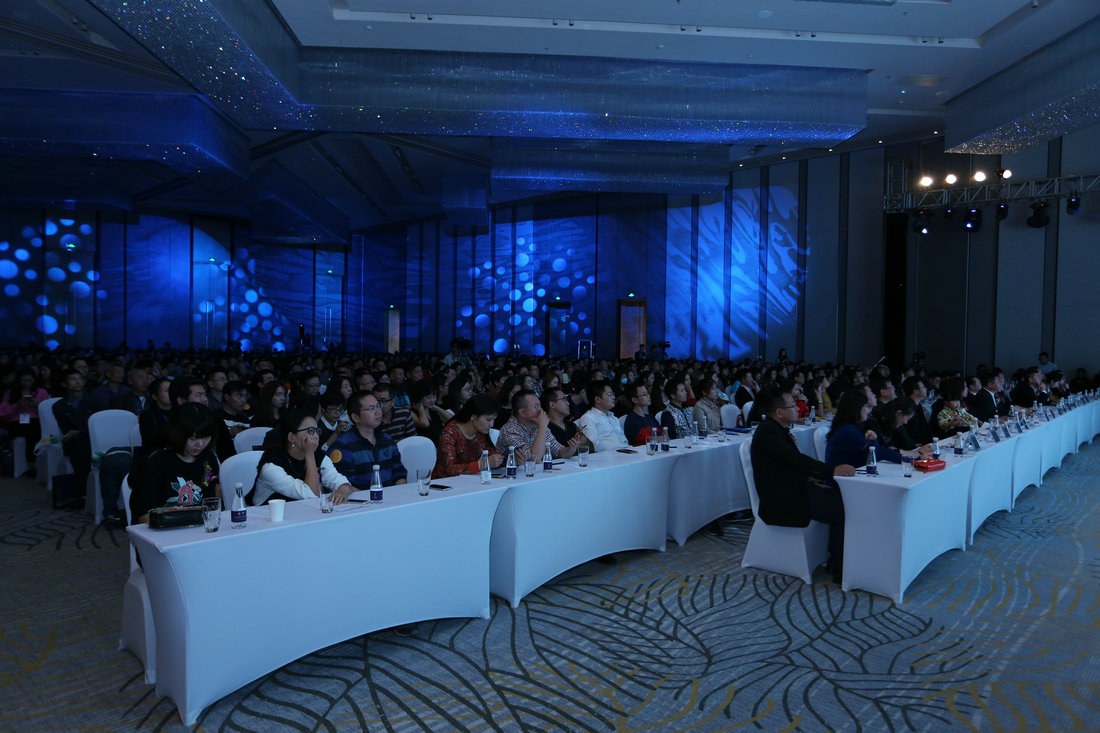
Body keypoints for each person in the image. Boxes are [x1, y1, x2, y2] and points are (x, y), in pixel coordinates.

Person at [750, 387, 856, 583]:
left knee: (843, 500)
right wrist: (832, 470)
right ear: (779, 412)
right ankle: (839, 568)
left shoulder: (774, 429)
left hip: (794, 488)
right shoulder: (768, 433)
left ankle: (836, 559)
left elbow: (789, 464)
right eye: (793, 406)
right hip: (782, 499)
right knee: (843, 510)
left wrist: (811, 480)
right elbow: (795, 460)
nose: (798, 408)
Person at [129, 403, 221, 524]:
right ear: (178, 433)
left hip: (198, 527)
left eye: (206, 437)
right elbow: (144, 516)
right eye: (193, 438)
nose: (200, 444)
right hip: (160, 529)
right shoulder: (154, 463)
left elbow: (211, 503)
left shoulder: (208, 459)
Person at [249, 410, 355, 506]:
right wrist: (309, 454)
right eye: (310, 431)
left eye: (317, 430)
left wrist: (343, 488)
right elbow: (310, 494)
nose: (316, 436)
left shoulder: (319, 456)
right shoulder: (271, 466)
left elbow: (340, 481)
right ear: (291, 437)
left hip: (300, 512)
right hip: (267, 515)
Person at [330, 391, 407, 487]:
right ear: (356, 417)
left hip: (391, 495)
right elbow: (344, 485)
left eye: (378, 405)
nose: (378, 412)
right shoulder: (342, 446)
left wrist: (398, 492)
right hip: (360, 496)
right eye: (371, 408)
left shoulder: (387, 440)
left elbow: (399, 474)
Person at [825, 390, 904, 468]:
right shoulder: (848, 431)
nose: (868, 410)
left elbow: (873, 451)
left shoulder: (847, 427)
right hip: (843, 475)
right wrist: (906, 459)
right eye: (866, 406)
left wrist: (873, 440)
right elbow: (876, 452)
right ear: (856, 408)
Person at [435, 394, 502, 477]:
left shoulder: (481, 432)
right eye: (488, 420)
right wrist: (483, 464)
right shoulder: (450, 433)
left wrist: (504, 459)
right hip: (444, 481)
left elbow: (492, 455)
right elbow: (449, 469)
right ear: (473, 417)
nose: (492, 424)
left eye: (493, 420)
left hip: (468, 479)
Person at [0, 368, 50, 469]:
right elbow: (3, 412)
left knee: (34, 431)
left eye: (29, 381)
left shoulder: (41, 392)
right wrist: (17, 404)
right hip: (17, 422)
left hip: (36, 421)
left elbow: (48, 410)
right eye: (24, 381)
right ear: (19, 380)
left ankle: (31, 464)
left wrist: (37, 405)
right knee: (32, 432)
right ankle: (30, 464)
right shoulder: (10, 393)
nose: (27, 383)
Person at [575, 380, 629, 452]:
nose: (613, 397)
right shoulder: (588, 418)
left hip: (625, 451)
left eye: (613, 394)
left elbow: (624, 440)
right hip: (609, 455)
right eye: (609, 394)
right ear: (597, 399)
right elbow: (593, 446)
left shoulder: (613, 418)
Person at [409, 378, 451, 445]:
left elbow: (452, 420)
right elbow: (425, 424)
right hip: (425, 448)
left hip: (440, 446)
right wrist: (420, 407)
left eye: (434, 396)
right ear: (419, 397)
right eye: (428, 398)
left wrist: (437, 408)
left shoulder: (433, 410)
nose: (432, 400)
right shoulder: (411, 412)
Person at [900, 376, 934, 445]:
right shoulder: (907, 408)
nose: (926, 389)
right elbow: (914, 432)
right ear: (915, 391)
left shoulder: (918, 405)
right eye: (923, 387)